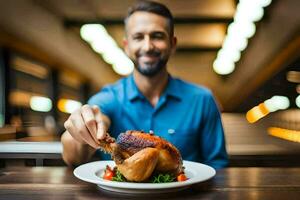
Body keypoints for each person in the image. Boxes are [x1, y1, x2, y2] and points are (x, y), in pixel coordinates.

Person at [61, 0, 228, 169]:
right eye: (138, 37)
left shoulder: (202, 100)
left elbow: (217, 166)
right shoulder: (109, 98)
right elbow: (74, 156)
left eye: (157, 36)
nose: (147, 46)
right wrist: (80, 131)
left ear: (173, 44)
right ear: (126, 46)